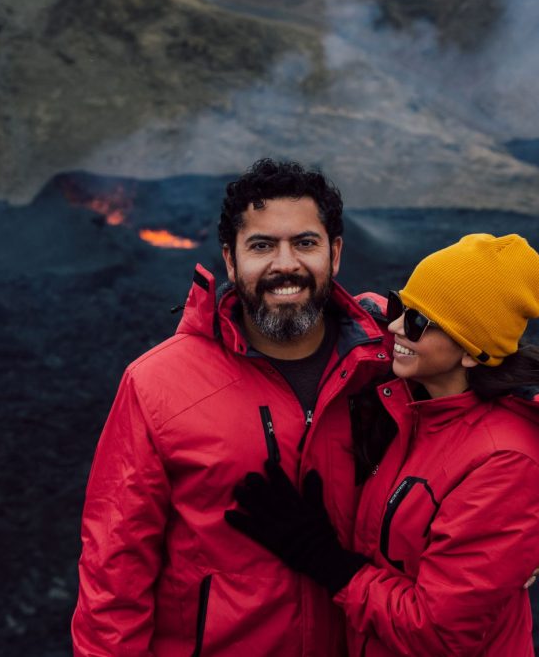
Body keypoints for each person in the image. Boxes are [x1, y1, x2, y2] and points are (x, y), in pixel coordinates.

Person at [226, 233, 539, 656]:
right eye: (400, 306)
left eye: (416, 321)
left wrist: (326, 562)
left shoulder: (505, 461)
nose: (394, 326)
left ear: (471, 352)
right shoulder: (413, 410)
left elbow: (440, 633)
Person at [70, 159, 392, 656]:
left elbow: (484, 436)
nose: (285, 264)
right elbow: (115, 570)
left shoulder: (394, 365)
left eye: (304, 243)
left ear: (336, 253)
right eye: (262, 246)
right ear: (230, 259)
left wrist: (506, 552)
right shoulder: (158, 385)